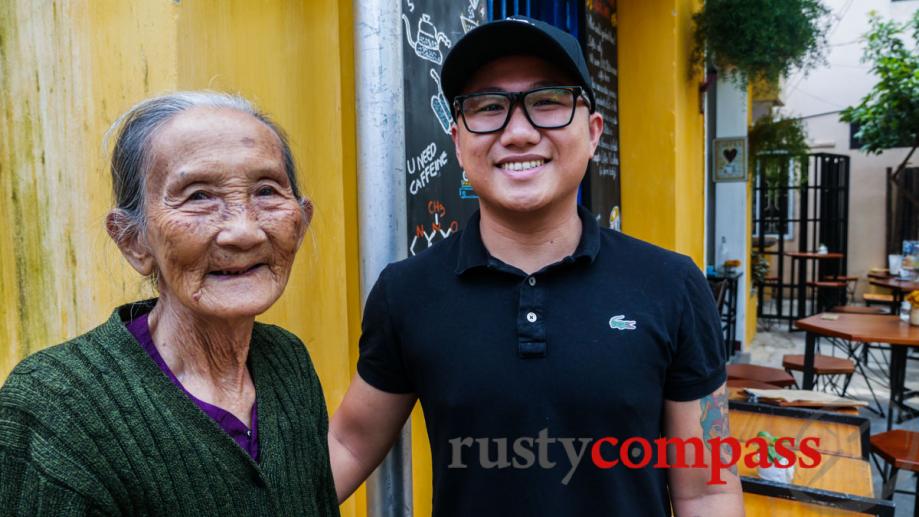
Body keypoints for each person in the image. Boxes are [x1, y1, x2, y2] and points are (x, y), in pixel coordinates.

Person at [329, 17, 743, 516]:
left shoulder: (673, 285)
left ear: (593, 133)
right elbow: (350, 444)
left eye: (547, 102)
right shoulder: (406, 293)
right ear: (459, 143)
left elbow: (709, 485)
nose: (519, 132)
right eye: (489, 108)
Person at [0, 92, 339, 516]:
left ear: (301, 221)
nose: (244, 231)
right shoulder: (57, 403)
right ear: (133, 240)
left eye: (267, 191)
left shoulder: (287, 362)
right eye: (198, 196)